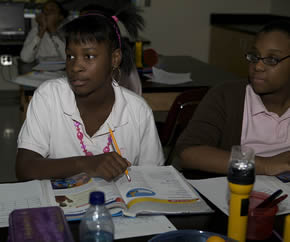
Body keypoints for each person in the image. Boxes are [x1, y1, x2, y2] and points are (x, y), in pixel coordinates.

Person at [16, 7, 165, 182]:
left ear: (115, 58)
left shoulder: (137, 110)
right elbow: (24, 169)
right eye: (71, 56)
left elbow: (155, 178)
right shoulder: (49, 97)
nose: (76, 66)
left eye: (89, 56)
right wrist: (85, 164)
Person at [176, 20, 290, 176]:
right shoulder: (227, 95)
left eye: (272, 59)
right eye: (255, 56)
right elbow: (189, 153)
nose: (258, 66)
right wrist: (264, 165)